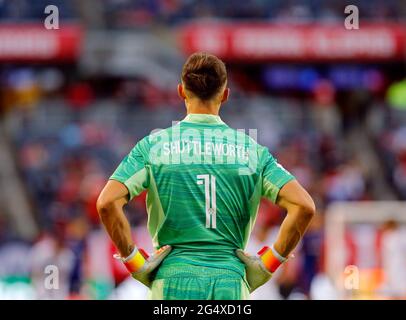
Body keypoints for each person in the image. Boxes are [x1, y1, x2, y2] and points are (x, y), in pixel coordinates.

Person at [96, 52, 315, 300]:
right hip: (230, 282)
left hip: (171, 281)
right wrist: (268, 264)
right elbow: (303, 205)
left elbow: (107, 202)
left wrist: (134, 261)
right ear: (225, 94)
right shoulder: (251, 152)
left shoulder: (154, 146)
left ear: (181, 91)